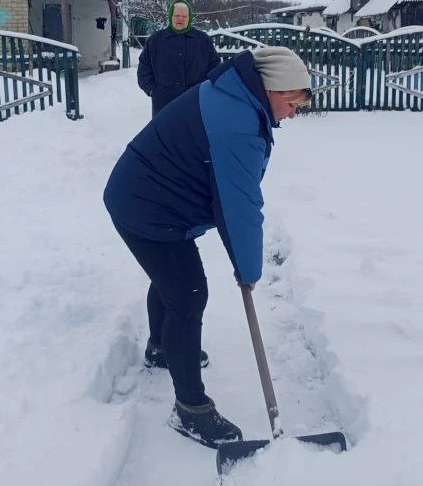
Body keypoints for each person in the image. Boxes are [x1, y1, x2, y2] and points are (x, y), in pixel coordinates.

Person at [104, 46, 313, 449]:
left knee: (171, 280)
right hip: (148, 208)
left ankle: (161, 348)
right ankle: (191, 411)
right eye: (290, 104)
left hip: (147, 196)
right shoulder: (237, 123)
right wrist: (249, 270)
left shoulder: (235, 96)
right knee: (188, 294)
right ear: (270, 89)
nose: (291, 114)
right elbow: (239, 207)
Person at [137, 0, 220, 117]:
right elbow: (144, 68)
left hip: (195, 101)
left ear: (189, 18)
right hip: (163, 105)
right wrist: (153, 90)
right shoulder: (156, 40)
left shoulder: (202, 40)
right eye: (177, 15)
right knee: (166, 134)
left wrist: (205, 90)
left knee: (193, 134)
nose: (180, 19)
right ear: (171, 17)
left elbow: (215, 66)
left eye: (184, 16)